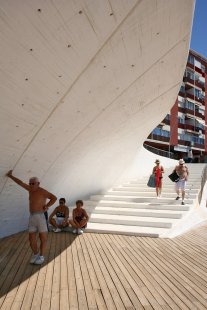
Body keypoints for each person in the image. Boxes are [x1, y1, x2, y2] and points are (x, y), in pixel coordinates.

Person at [6, 170, 57, 265]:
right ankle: (35, 254)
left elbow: (54, 197)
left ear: (38, 183)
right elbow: (20, 183)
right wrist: (11, 176)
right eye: (30, 183)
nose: (31, 185)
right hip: (32, 217)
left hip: (41, 216)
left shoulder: (42, 191)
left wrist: (47, 206)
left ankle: (41, 256)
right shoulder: (30, 189)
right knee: (31, 239)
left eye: (33, 183)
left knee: (43, 238)